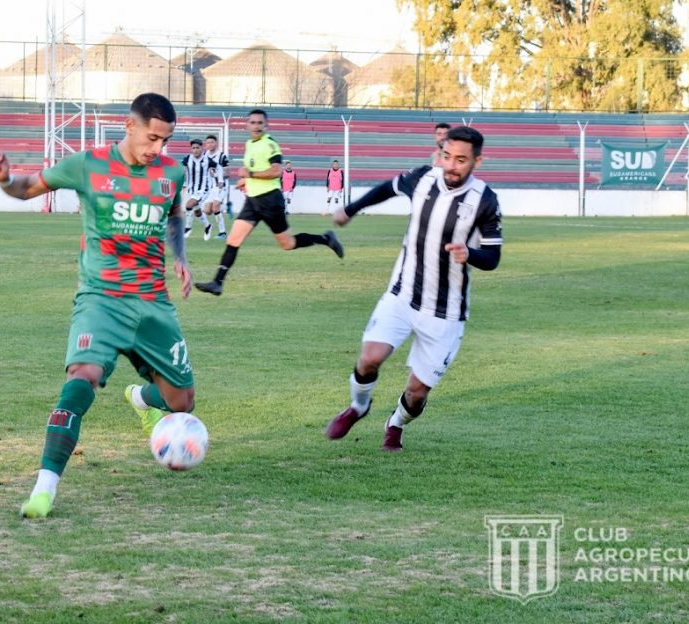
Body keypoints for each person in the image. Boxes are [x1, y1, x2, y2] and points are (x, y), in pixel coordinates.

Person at [0, 92, 196, 520]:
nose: (158, 149)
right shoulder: (88, 165)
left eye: (165, 141)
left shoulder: (172, 171)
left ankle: (141, 398)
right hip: (101, 299)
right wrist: (5, 180)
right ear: (129, 126)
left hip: (153, 303)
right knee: (82, 378)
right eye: (152, 138)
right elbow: (28, 187)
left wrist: (180, 257)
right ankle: (44, 489)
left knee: (182, 403)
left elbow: (174, 214)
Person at [324, 126, 502, 452]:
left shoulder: (486, 201)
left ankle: (395, 423)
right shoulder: (422, 179)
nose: (451, 165)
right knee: (369, 359)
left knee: (417, 392)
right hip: (402, 294)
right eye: (447, 156)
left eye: (461, 160)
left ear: (478, 160)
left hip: (446, 312)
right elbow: (386, 189)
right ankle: (358, 406)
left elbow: (493, 257)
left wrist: (469, 254)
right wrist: (350, 210)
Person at [194, 109, 344, 296]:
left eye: (260, 123)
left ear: (266, 125)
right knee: (233, 240)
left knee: (288, 244)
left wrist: (250, 175)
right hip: (252, 202)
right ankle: (217, 283)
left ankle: (326, 239)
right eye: (253, 123)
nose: (256, 126)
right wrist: (245, 181)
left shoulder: (270, 144)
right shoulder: (249, 144)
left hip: (270, 200)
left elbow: (276, 171)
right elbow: (254, 168)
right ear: (247, 125)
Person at [182, 138, 217, 241]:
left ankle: (187, 228)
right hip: (192, 190)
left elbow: (217, 169)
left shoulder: (207, 160)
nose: (195, 150)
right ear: (191, 149)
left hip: (203, 190)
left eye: (198, 147)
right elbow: (180, 169)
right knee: (197, 211)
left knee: (188, 205)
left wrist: (217, 177)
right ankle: (208, 226)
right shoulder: (187, 159)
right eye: (193, 148)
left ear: (202, 148)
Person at [202, 134, 230, 239]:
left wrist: (218, 176)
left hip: (221, 186)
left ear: (216, 143)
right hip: (211, 188)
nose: (209, 144)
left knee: (215, 207)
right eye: (208, 142)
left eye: (212, 142)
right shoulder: (204, 155)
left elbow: (227, 173)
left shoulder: (222, 156)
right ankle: (226, 207)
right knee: (207, 211)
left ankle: (222, 233)